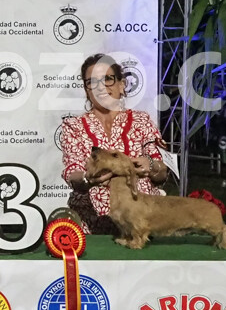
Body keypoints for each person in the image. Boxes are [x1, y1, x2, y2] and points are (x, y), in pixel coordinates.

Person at [59, 52, 169, 233]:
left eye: (108, 79)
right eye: (92, 82)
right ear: (86, 90)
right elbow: (73, 172)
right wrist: (87, 178)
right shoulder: (73, 126)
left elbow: (162, 173)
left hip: (141, 221)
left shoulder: (142, 121)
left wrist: (150, 165)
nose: (100, 87)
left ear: (121, 85)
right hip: (91, 224)